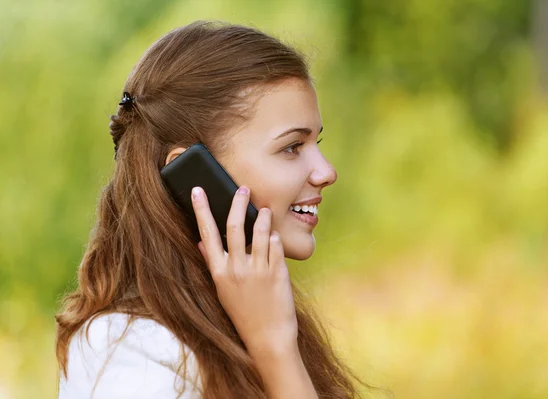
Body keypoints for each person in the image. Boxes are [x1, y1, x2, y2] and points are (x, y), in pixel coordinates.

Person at [55, 20, 363, 398]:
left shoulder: (255, 313)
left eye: (316, 142)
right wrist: (274, 347)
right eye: (291, 147)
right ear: (197, 177)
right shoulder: (133, 352)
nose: (326, 172)